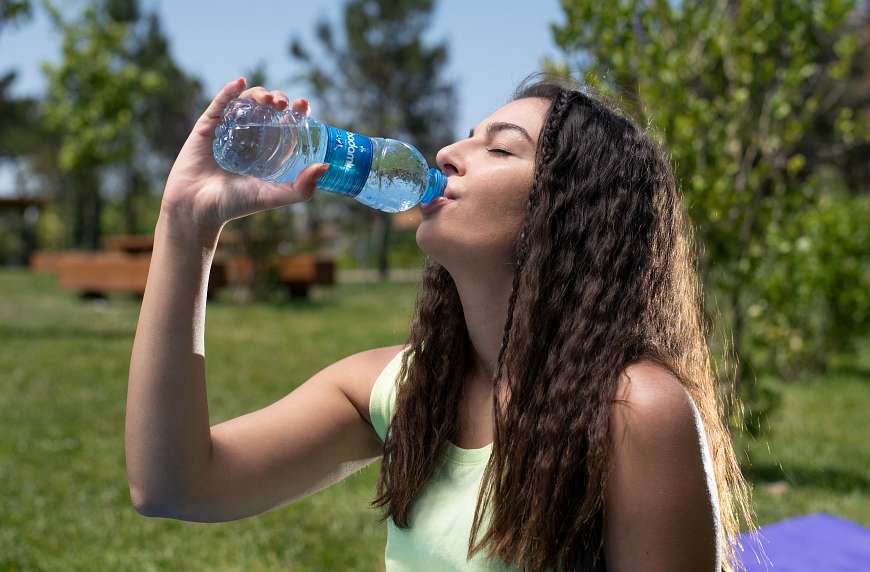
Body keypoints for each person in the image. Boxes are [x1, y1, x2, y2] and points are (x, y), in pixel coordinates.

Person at [126, 73, 756, 572]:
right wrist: (187, 227)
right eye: (467, 137)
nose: (449, 154)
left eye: (501, 147)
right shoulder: (403, 389)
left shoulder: (633, 410)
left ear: (567, 215)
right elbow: (175, 485)